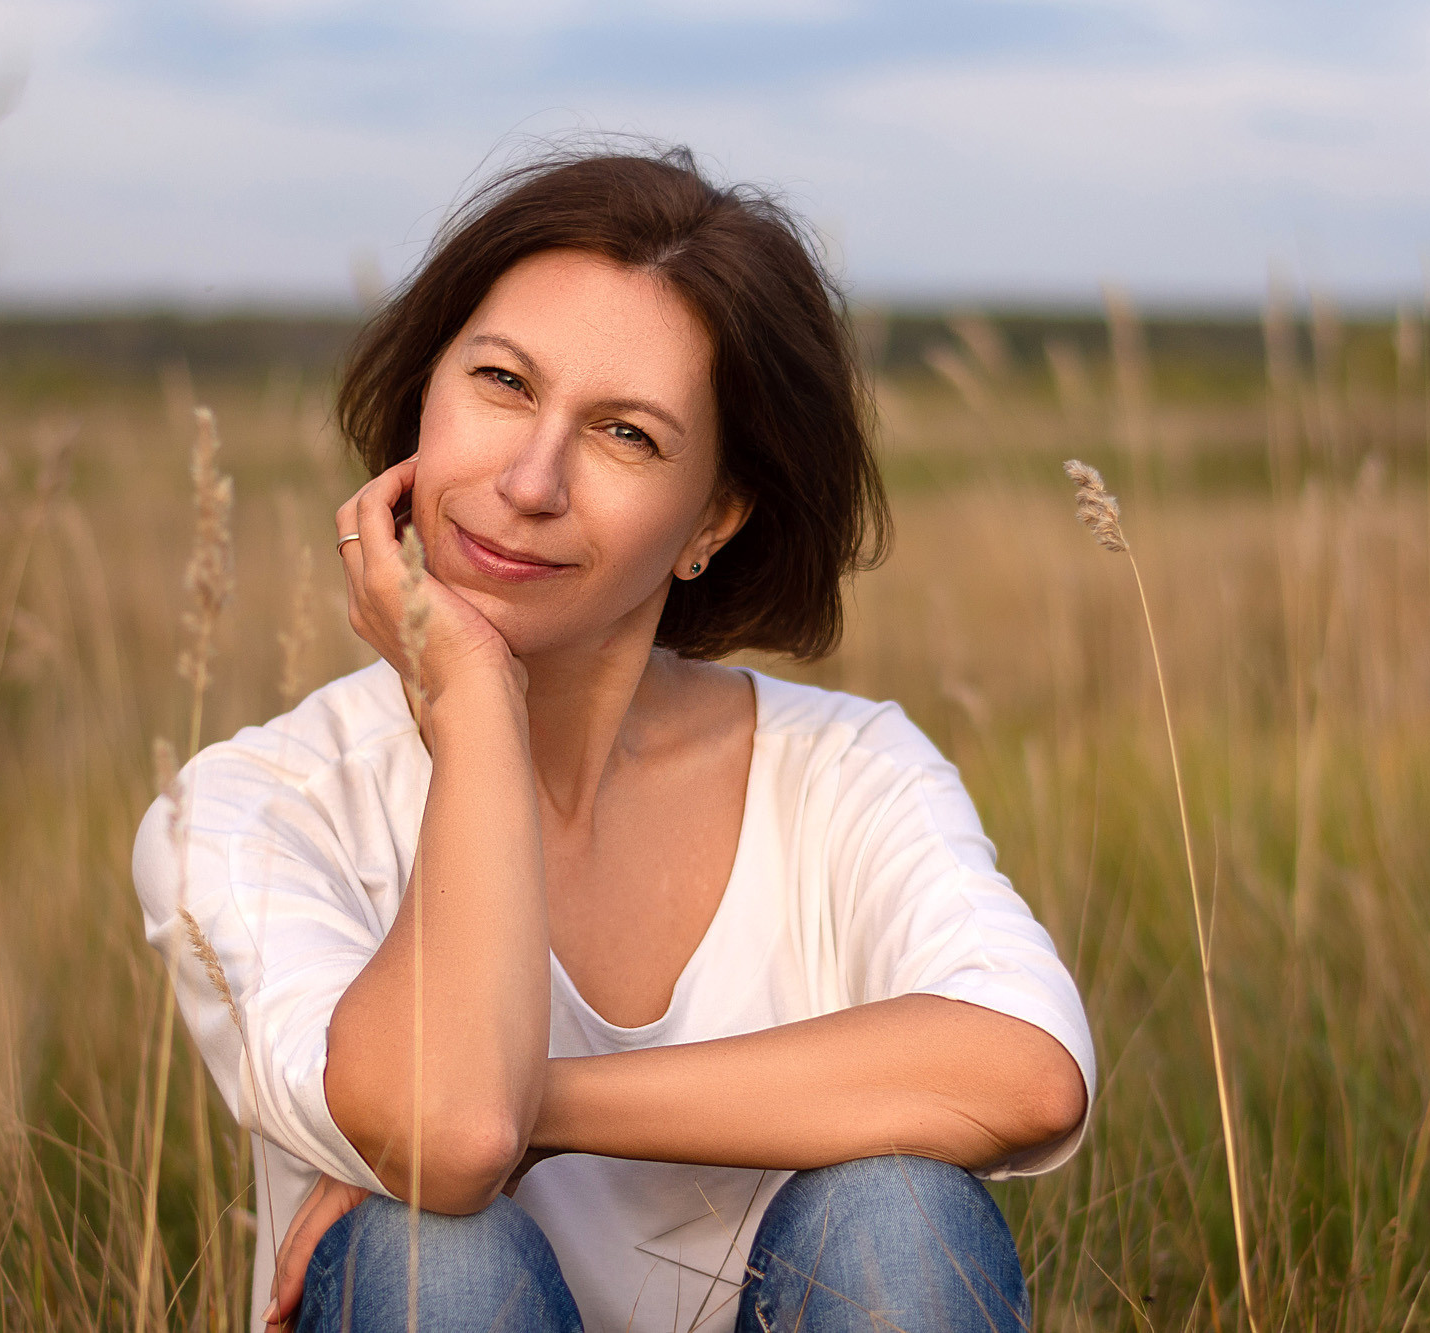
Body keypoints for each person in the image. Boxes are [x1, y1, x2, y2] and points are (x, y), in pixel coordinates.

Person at [134, 145, 1094, 1333]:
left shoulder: (845, 772)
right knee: (432, 1248)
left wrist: (540, 1105)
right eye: (501, 382)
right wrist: (473, 706)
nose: (529, 480)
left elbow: (1025, 1075)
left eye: (625, 435)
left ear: (712, 520)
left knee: (898, 1214)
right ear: (426, 395)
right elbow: (452, 1139)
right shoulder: (253, 805)